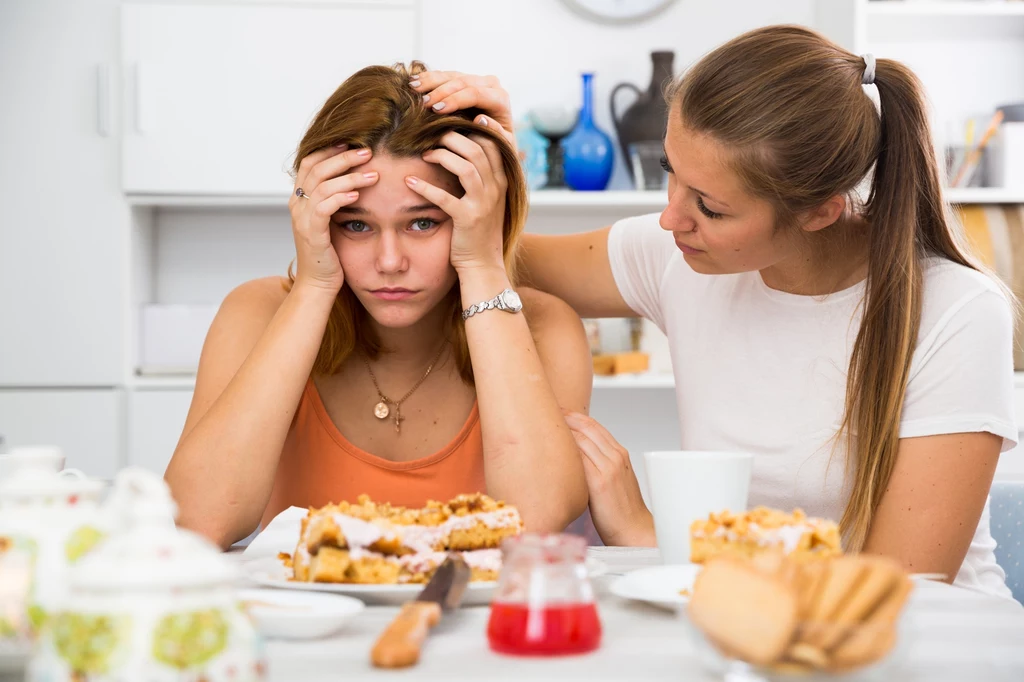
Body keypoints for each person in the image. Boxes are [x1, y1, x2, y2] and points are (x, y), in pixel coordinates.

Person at [412, 26, 1018, 598]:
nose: (671, 217)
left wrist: (651, 536)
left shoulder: (957, 313)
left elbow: (893, 592)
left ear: (820, 212)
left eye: (710, 206)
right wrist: (497, 157)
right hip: (737, 623)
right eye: (671, 173)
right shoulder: (677, 252)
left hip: (919, 649)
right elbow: (488, 255)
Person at [164, 62, 592, 549]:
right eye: (356, 225)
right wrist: (313, 286)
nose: (389, 262)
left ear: (480, 213)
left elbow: (535, 524)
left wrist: (482, 265)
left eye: (424, 223)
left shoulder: (541, 328)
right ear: (317, 218)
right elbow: (196, 524)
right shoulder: (256, 314)